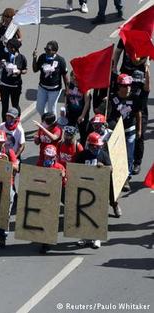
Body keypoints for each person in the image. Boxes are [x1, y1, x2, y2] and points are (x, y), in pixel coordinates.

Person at [75, 132, 122, 249]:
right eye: (95, 146)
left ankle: (97, 238)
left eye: (99, 146)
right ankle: (85, 237)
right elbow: (75, 169)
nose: (98, 148)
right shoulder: (82, 155)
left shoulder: (103, 155)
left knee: (98, 214)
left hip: (99, 189)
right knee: (85, 214)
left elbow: (111, 169)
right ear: (90, 146)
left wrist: (103, 167)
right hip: (86, 189)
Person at [112, 43, 150, 175]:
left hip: (139, 83)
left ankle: (137, 162)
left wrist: (146, 68)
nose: (127, 87)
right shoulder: (126, 36)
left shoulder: (144, 41)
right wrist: (114, 67)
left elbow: (136, 60)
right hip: (126, 73)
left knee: (139, 136)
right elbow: (117, 51)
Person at [108, 73, 142, 192]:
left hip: (130, 131)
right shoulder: (112, 98)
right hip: (117, 132)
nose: (127, 87)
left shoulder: (135, 98)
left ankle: (126, 178)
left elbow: (138, 114)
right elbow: (108, 116)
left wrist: (139, 129)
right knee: (117, 155)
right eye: (124, 85)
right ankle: (115, 176)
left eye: (129, 85)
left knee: (128, 155)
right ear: (119, 86)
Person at [38, 144, 66, 254]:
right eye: (47, 157)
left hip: (56, 195)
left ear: (55, 157)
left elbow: (64, 186)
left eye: (51, 157)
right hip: (44, 196)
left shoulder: (59, 167)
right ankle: (45, 243)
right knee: (44, 219)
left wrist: (63, 177)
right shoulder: (39, 165)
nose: (48, 159)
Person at [32, 41, 70, 116]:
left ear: (54, 51)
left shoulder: (60, 60)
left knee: (51, 110)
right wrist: (34, 58)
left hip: (54, 90)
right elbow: (35, 70)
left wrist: (67, 89)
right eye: (45, 49)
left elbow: (65, 76)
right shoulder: (42, 57)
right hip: (42, 88)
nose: (46, 51)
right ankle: (46, 120)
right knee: (39, 108)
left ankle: (52, 125)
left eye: (48, 50)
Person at [0, 38, 27, 121]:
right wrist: (1, 64)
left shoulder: (21, 58)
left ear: (14, 48)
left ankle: (17, 121)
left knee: (15, 105)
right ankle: (4, 124)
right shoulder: (4, 55)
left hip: (15, 85)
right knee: (4, 106)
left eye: (9, 47)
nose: (7, 49)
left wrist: (19, 71)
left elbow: (25, 70)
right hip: (4, 85)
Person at [63, 71, 92, 145]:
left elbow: (87, 103)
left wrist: (82, 116)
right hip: (71, 112)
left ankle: (82, 148)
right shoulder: (69, 84)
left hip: (81, 113)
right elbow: (66, 96)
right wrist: (64, 107)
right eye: (72, 79)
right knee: (69, 132)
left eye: (76, 80)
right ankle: (69, 148)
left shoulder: (85, 86)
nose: (74, 81)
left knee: (83, 133)